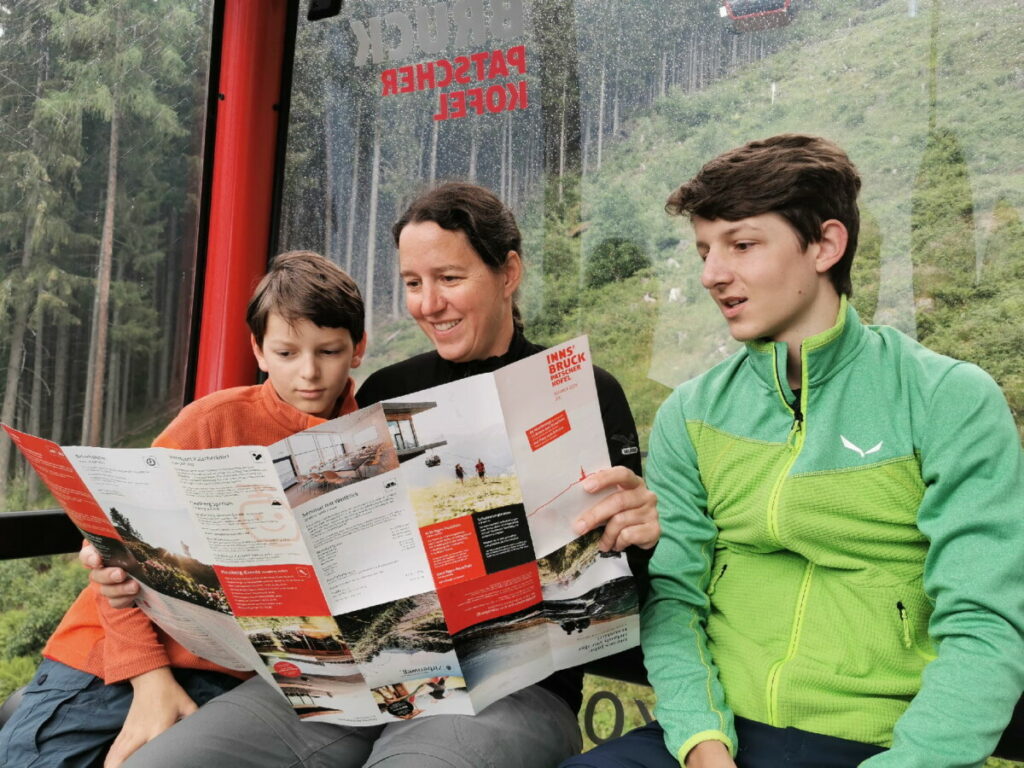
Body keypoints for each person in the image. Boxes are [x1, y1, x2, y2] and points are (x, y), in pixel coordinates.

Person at [89, 181, 660, 768]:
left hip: (517, 686)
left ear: (508, 273)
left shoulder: (585, 389)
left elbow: (624, 581)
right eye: (413, 284)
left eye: (449, 278)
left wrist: (642, 533)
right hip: (354, 676)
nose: (428, 303)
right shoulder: (386, 392)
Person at [560, 134, 1024, 768]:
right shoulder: (690, 414)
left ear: (826, 246)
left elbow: (985, 626)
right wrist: (702, 743)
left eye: (742, 245)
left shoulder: (948, 398)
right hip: (717, 734)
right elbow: (675, 601)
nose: (712, 275)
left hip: (884, 743)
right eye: (704, 251)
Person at [0, 251, 366, 768]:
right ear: (259, 351)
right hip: (112, 654)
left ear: (357, 349)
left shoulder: (369, 444)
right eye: (286, 353)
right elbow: (111, 557)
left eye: (328, 351)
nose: (308, 373)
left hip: (234, 674)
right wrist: (149, 677)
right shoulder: (210, 424)